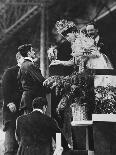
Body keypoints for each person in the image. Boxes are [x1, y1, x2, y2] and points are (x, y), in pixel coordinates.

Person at [2, 52, 24, 155]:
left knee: (22, 139)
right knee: (11, 138)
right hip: (11, 109)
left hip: (23, 109)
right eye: (25, 58)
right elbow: (5, 89)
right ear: (19, 59)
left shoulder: (30, 71)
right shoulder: (10, 72)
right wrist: (10, 102)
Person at [18, 44, 46, 114]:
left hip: (27, 100)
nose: (34, 52)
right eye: (32, 50)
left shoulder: (22, 65)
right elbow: (41, 80)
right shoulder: (30, 65)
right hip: (32, 100)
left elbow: (19, 82)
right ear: (28, 53)